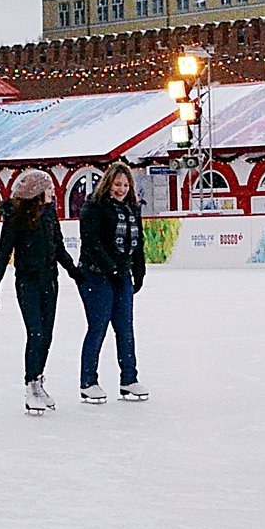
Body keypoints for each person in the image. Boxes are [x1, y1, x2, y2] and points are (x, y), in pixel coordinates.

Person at [0, 170, 82, 415]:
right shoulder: (16, 217)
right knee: (36, 333)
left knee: (47, 336)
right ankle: (30, 386)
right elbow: (3, 252)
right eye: (49, 188)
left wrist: (74, 272)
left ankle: (39, 381)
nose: (53, 192)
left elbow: (58, 247)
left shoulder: (50, 214)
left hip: (50, 282)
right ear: (37, 191)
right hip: (27, 282)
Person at [76, 163, 148, 404]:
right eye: (117, 184)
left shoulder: (131, 208)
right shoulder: (93, 207)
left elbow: (139, 242)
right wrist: (112, 268)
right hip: (95, 275)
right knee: (98, 326)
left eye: (126, 185)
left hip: (122, 275)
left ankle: (129, 379)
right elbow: (92, 242)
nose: (121, 189)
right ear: (108, 184)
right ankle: (88, 382)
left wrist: (139, 271)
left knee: (125, 328)